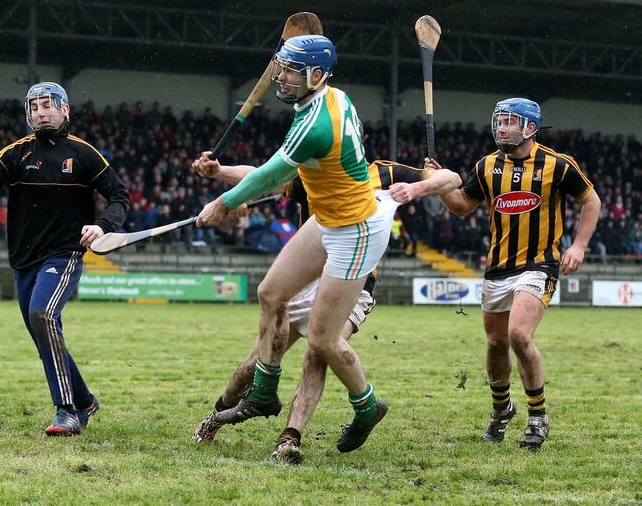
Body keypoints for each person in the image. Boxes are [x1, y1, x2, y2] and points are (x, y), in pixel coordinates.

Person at [196, 34, 402, 455]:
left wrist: (223, 202)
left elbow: (271, 177)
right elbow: (277, 171)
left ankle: (366, 407)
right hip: (327, 218)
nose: (282, 77)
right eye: (282, 66)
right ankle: (265, 392)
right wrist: (221, 176)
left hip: (358, 229)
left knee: (323, 342)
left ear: (317, 75)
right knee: (271, 292)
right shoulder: (329, 98)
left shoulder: (316, 123)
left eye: (292, 70)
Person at [191, 155, 461, 462]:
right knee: (256, 360)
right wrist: (220, 171)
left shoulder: (383, 172)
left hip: (355, 284)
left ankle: (289, 439)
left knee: (318, 351)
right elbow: (261, 175)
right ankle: (215, 417)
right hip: (305, 279)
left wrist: (419, 189)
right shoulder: (312, 171)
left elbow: (451, 178)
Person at [0, 82, 129, 437]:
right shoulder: (14, 154)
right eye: (34, 107)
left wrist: (102, 226)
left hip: (64, 253)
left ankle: (67, 411)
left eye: (48, 105)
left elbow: (119, 196)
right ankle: (85, 399)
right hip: (23, 259)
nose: (40, 112)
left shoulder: (84, 154)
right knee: (44, 331)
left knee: (43, 314)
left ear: (65, 110)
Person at [434, 98, 600, 449]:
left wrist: (579, 245)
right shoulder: (487, 165)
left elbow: (591, 201)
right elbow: (463, 207)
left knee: (519, 335)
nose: (501, 127)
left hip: (539, 263)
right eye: (499, 121)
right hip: (497, 268)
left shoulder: (557, 164)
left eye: (509, 121)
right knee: (496, 344)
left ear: (530, 127)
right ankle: (500, 411)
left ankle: (537, 416)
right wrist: (442, 185)